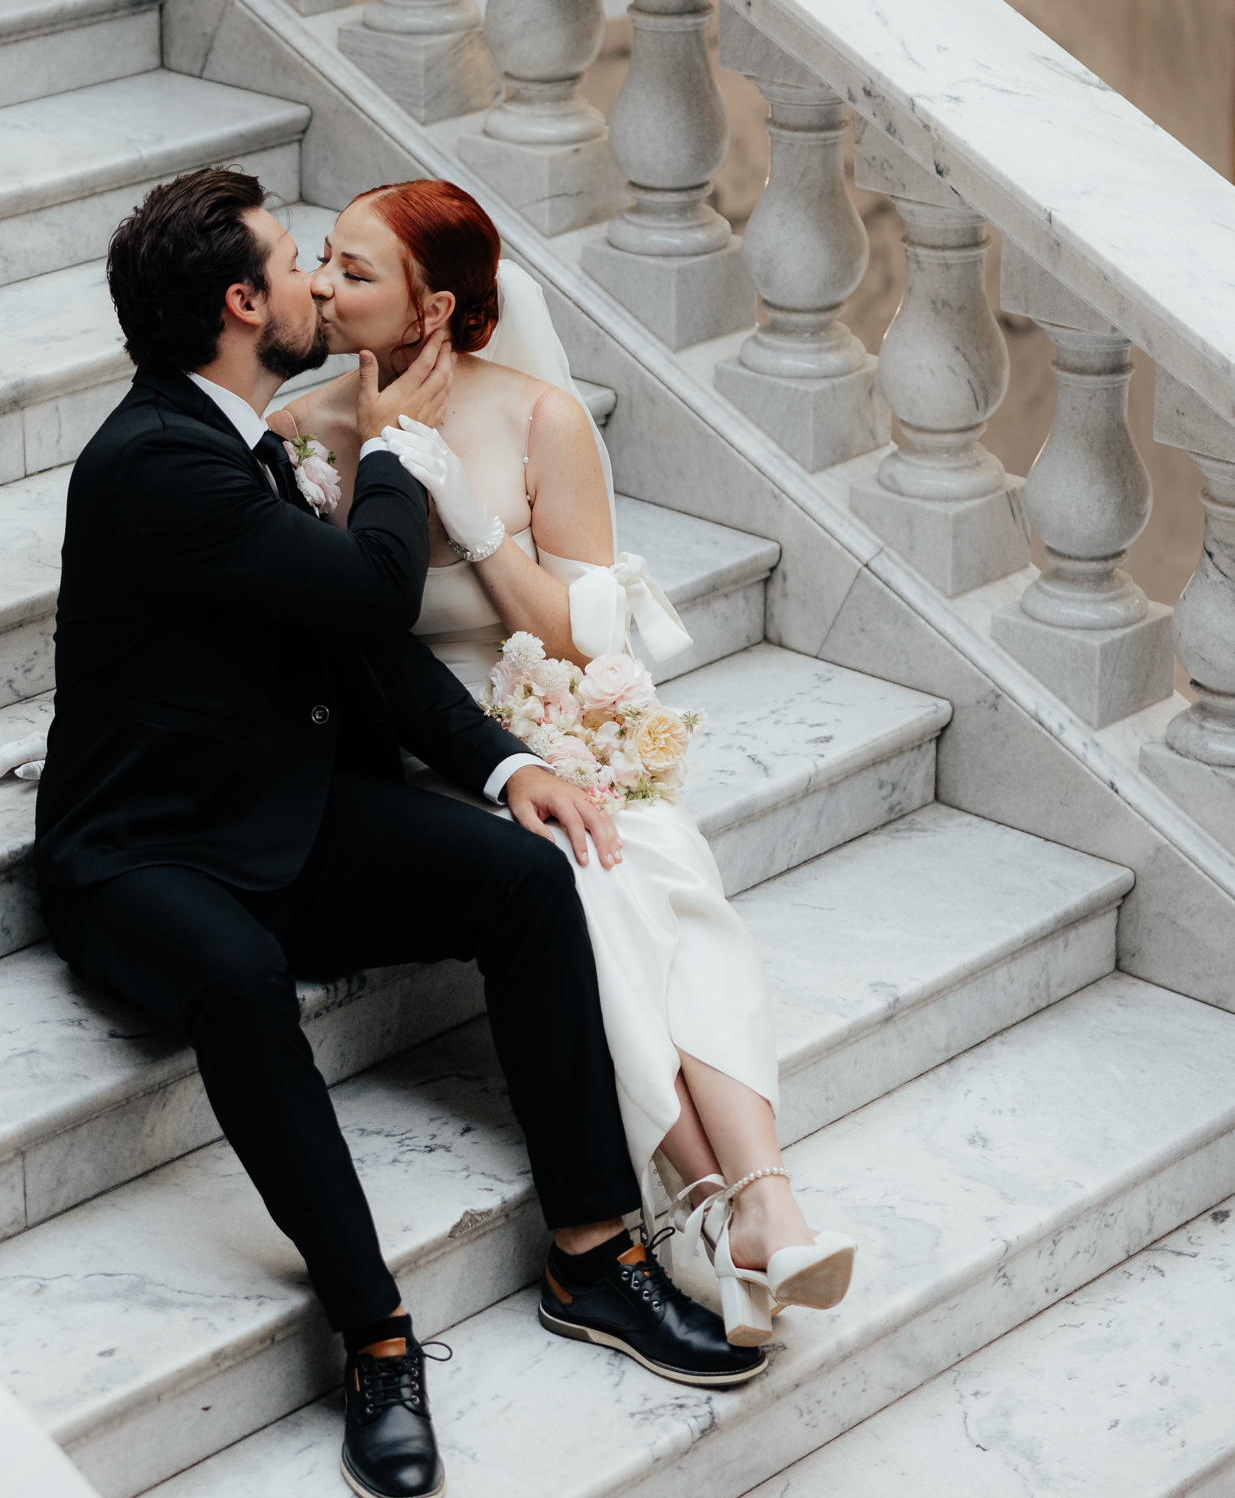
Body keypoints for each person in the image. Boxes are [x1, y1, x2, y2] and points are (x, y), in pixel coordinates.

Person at [27, 166, 766, 1498]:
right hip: (141, 857)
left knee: (523, 881)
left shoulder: (245, 435)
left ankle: (590, 1257)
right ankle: (372, 1343)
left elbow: (349, 647)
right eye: (293, 264)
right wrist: (400, 447)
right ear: (243, 305)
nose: (320, 281)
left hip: (280, 812)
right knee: (240, 984)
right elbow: (373, 591)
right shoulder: (155, 462)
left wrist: (509, 762)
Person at [278, 178, 855, 1351]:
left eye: (351, 269)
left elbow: (581, 629)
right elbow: (336, 635)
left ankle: (754, 1201)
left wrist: (473, 520)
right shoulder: (302, 437)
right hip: (430, 753)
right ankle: (731, 1205)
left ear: (432, 307)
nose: (321, 287)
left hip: (548, 716)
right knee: (580, 883)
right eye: (322, 261)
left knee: (653, 863)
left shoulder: (540, 419)